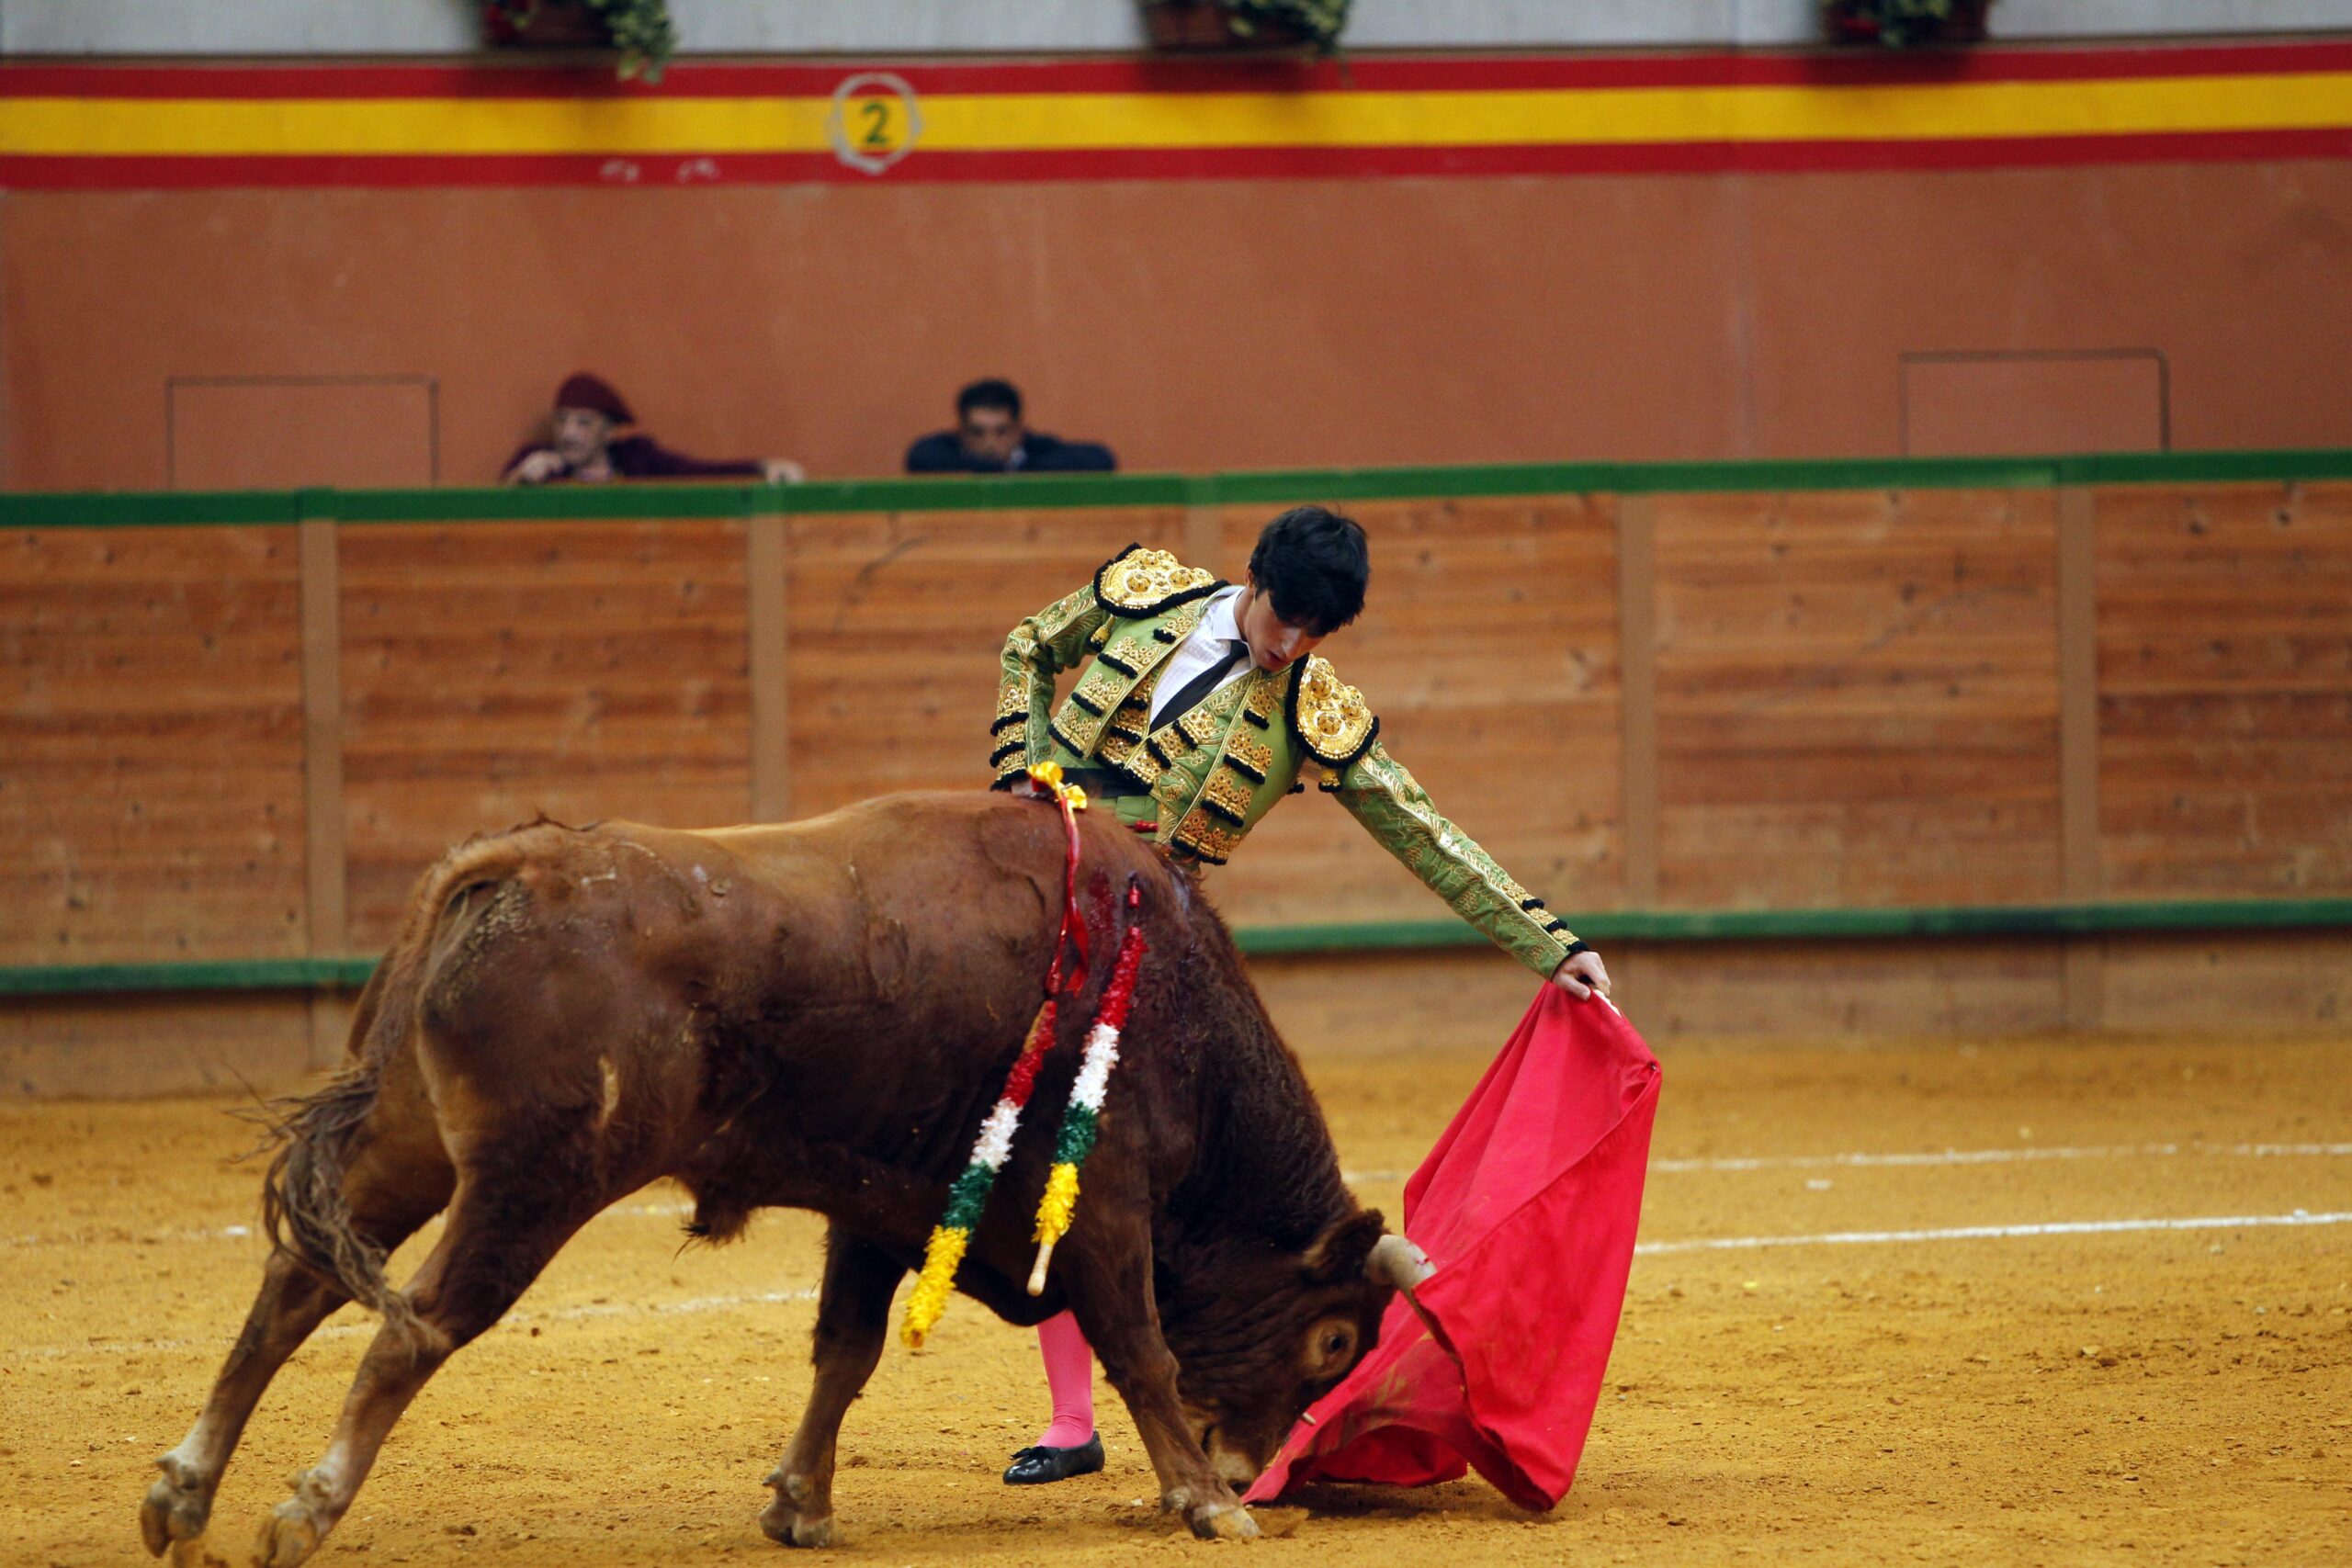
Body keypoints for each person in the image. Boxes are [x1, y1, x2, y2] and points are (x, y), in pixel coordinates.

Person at [986, 506, 1611, 1486]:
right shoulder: (1145, 592)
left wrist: (1551, 945)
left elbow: (1423, 831)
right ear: (1256, 579)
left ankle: (1077, 1420)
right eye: (1287, 617)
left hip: (1143, 951)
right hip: (1025, 904)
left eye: (1316, 632)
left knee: (1093, 1157)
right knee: (1017, 1142)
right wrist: (1018, 773)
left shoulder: (1312, 712)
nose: (1293, 644)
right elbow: (1028, 646)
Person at [503, 373, 804, 486]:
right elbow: (497, 509)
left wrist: (762, 467)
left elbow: (698, 473)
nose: (568, 434)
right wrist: (522, 480)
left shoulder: (638, 459)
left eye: (583, 423)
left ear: (608, 432)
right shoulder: (539, 462)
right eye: (562, 420)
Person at [905, 379, 1116, 475]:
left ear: (1018, 430)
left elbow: (1100, 459)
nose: (990, 443)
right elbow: (919, 457)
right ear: (960, 432)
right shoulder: (941, 456)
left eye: (1001, 431)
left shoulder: (1037, 450)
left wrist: (1018, 471)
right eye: (977, 432)